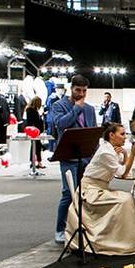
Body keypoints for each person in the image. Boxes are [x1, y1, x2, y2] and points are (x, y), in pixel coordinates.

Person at [66, 122, 135, 256]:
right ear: (111, 135)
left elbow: (123, 169)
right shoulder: (105, 152)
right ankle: (121, 241)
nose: (125, 137)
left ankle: (120, 238)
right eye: (122, 134)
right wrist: (132, 154)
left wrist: (127, 155)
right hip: (90, 190)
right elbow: (121, 172)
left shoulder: (110, 150)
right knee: (125, 200)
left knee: (128, 198)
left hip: (100, 188)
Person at [50, 74, 98, 245]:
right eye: (78, 90)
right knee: (68, 194)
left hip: (86, 156)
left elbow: (92, 131)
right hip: (68, 156)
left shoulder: (90, 109)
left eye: (84, 91)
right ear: (71, 88)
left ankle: (82, 226)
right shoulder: (59, 105)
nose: (81, 94)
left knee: (85, 194)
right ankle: (60, 229)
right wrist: (76, 108)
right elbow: (61, 124)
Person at [23, 96, 46, 170]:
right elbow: (33, 121)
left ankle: (33, 161)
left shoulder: (30, 110)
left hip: (34, 131)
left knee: (35, 146)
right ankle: (37, 162)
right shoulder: (31, 110)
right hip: (34, 131)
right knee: (37, 146)